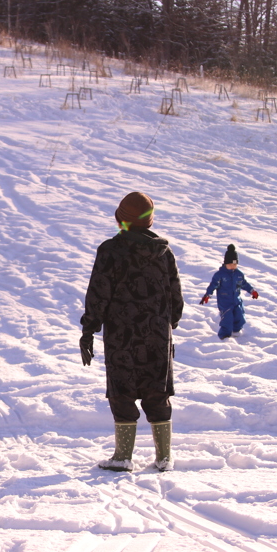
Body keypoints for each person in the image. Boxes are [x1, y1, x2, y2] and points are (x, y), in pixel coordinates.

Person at [80, 192, 184, 472]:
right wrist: (167, 326)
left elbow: (98, 293)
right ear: (150, 221)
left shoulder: (110, 251)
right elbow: (176, 297)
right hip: (158, 336)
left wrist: (89, 329)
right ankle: (164, 458)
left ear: (121, 220)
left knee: (122, 392)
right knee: (157, 392)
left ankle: (123, 457)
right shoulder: (164, 252)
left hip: (122, 335)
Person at [200, 244, 258, 340]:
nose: (232, 267)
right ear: (225, 263)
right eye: (230, 264)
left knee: (240, 317)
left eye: (235, 264)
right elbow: (213, 285)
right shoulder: (220, 275)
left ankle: (236, 331)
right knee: (227, 319)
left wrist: (252, 291)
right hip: (225, 302)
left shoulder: (239, 274)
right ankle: (224, 336)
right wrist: (207, 295)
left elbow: (244, 284)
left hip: (236, 300)